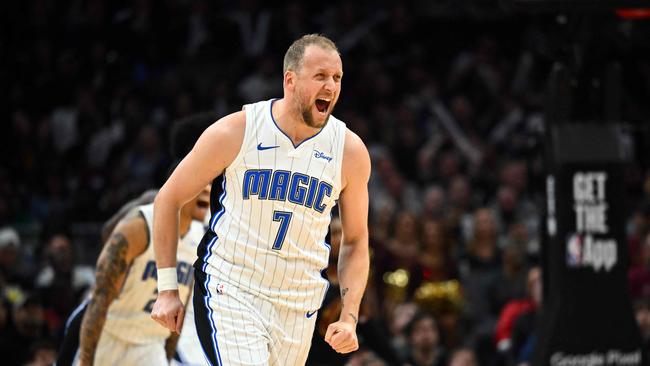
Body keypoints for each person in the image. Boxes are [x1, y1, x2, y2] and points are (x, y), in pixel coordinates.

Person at [151, 33, 371, 365]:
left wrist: (350, 315)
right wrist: (168, 290)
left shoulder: (350, 151)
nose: (331, 86)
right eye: (321, 76)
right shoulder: (236, 131)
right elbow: (168, 198)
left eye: (337, 77)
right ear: (290, 81)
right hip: (232, 289)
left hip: (298, 303)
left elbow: (355, 239)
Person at [75, 184, 210, 365]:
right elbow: (99, 301)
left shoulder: (201, 239)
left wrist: (167, 357)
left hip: (150, 346)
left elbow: (179, 309)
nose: (209, 189)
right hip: (110, 336)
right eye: (203, 183)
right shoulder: (141, 224)